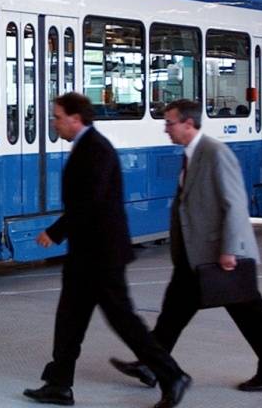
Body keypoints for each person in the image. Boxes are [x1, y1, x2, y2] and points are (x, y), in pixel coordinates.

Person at [23, 93, 191, 408]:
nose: (54, 122)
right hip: (86, 254)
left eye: (58, 117)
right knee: (69, 319)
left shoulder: (96, 149)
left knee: (124, 321)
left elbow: (89, 203)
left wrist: (54, 232)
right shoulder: (86, 147)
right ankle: (59, 384)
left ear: (75, 118)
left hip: (101, 256)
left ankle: (172, 376)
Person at [110, 99, 262, 393]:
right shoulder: (191, 154)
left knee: (249, 313)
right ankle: (152, 365)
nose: (165, 129)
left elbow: (235, 203)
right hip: (195, 255)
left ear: (188, 124)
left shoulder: (215, 153)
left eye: (169, 123)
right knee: (173, 313)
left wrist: (229, 249)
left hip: (219, 254)